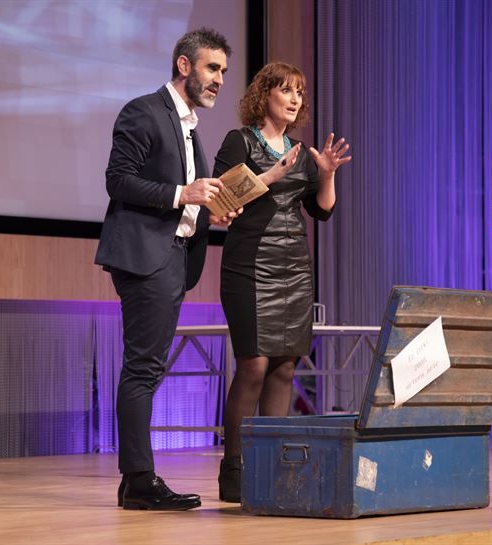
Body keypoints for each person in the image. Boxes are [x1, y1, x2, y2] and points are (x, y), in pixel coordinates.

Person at [94, 28, 236, 511]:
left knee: (147, 370)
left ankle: (135, 477)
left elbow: (185, 196)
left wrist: (210, 210)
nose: (219, 79)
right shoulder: (144, 111)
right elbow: (118, 181)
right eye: (212, 68)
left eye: (222, 71)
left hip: (174, 257)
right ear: (183, 65)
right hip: (146, 255)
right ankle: (138, 480)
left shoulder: (190, 127)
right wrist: (184, 195)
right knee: (143, 368)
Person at [212, 62, 351, 502]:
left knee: (285, 365)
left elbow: (322, 211)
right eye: (285, 91)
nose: (294, 99)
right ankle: (234, 470)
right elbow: (222, 200)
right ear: (264, 95)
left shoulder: (302, 150)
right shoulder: (239, 141)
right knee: (253, 364)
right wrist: (270, 175)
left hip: (293, 265)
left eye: (299, 93)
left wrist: (325, 173)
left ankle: (272, 467)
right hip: (250, 264)